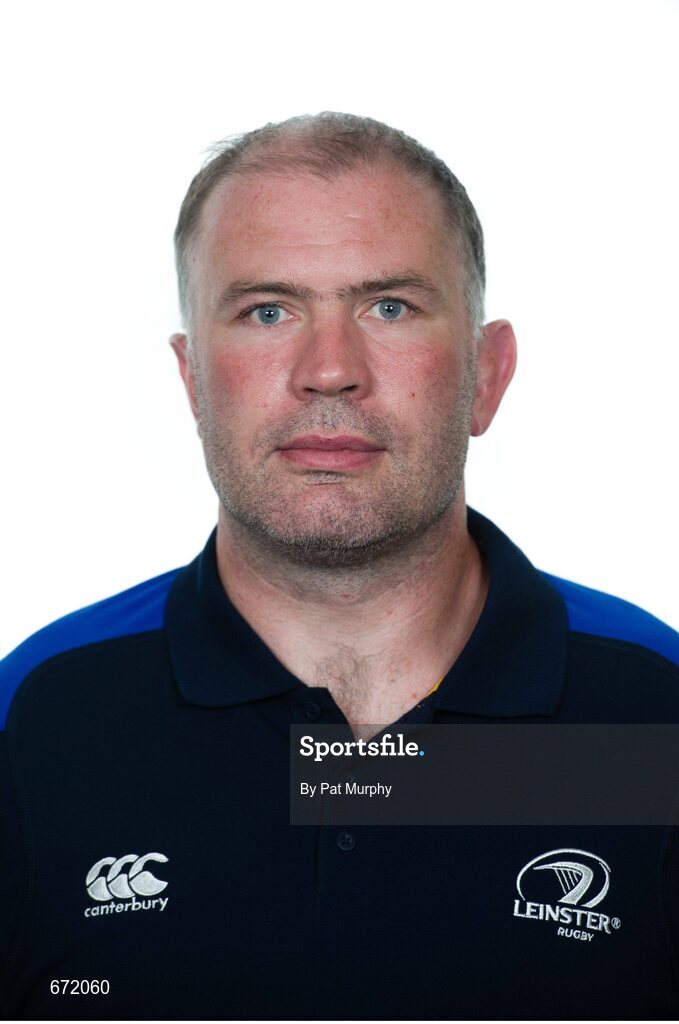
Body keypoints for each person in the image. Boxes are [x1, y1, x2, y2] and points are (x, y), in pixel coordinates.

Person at [1, 112, 678, 1021]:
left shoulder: (653, 709)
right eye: (267, 310)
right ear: (192, 379)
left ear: (485, 374)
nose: (328, 370)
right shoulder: (38, 716)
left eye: (388, 306)